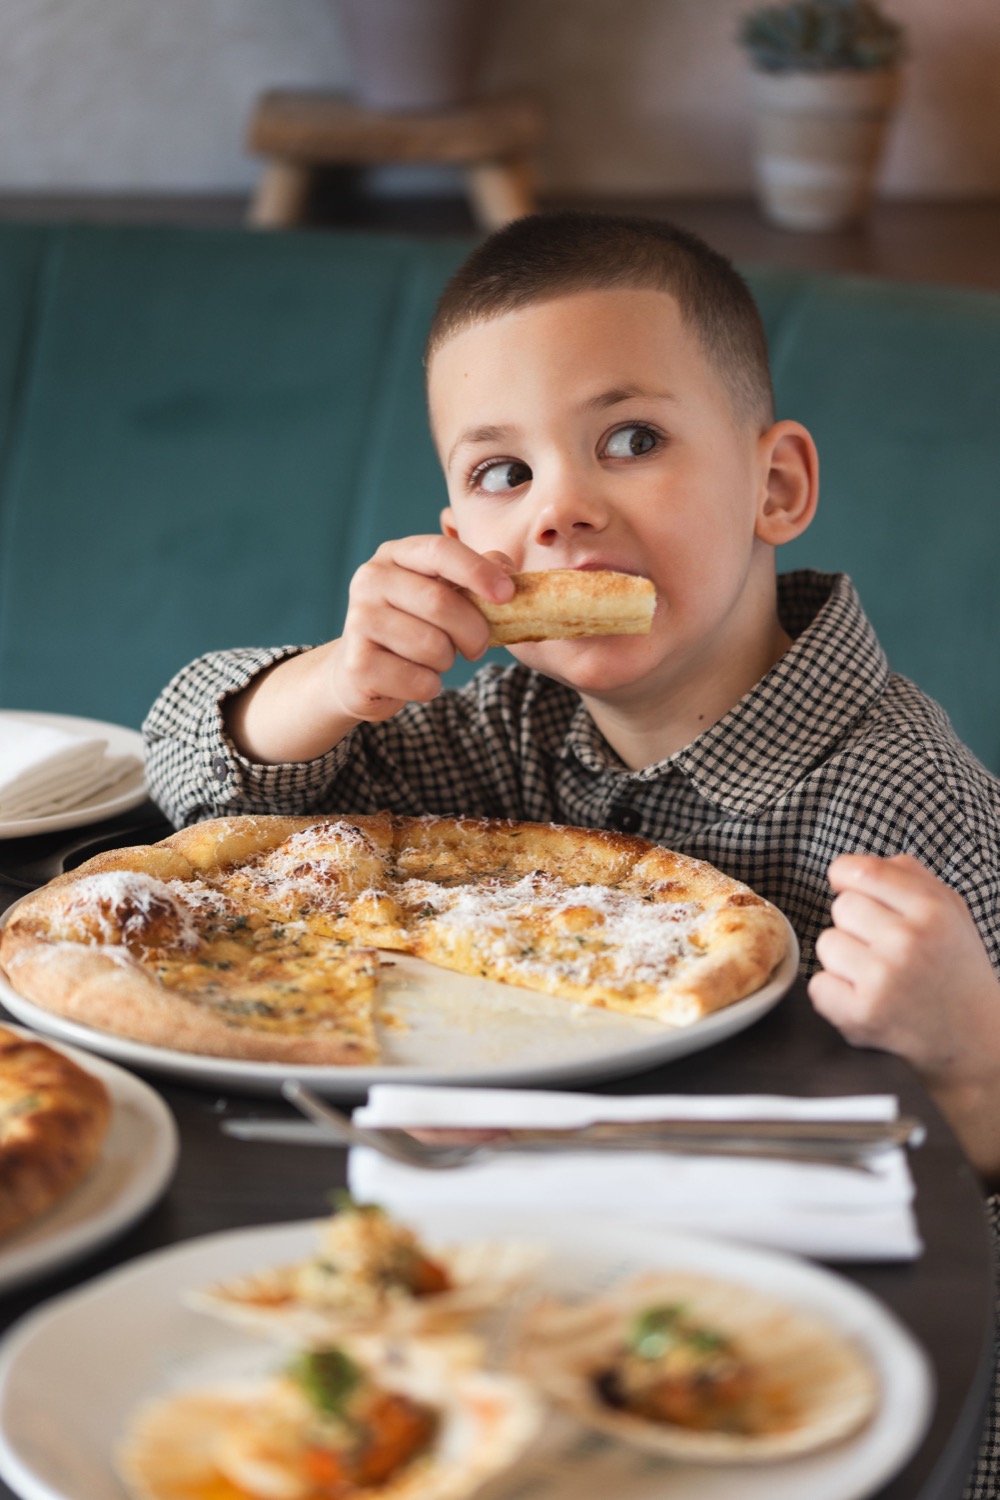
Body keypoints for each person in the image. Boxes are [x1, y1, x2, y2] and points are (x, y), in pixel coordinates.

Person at [144, 211, 1000, 1490]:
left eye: (631, 441)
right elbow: (204, 795)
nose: (563, 513)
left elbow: (957, 1285)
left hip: (759, 1360)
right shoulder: (501, 727)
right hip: (502, 1288)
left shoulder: (901, 805)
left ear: (776, 486)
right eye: (503, 475)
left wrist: (978, 1060)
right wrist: (334, 680)